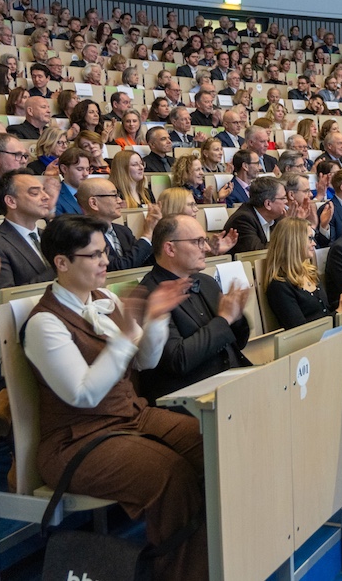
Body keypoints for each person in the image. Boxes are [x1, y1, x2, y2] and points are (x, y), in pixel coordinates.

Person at [21, 215, 206, 581]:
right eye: (94, 255)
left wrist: (155, 319)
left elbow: (147, 360)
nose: (105, 261)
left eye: (105, 252)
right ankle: (184, 572)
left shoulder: (104, 298)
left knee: (210, 443)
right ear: (62, 262)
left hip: (129, 416)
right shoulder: (45, 323)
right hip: (77, 439)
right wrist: (124, 337)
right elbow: (84, 394)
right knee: (169, 475)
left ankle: (217, 556)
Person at [138, 214, 252, 402]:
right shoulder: (150, 295)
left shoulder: (206, 281)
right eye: (198, 242)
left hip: (230, 380)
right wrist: (224, 319)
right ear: (170, 248)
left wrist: (236, 315)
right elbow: (178, 360)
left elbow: (238, 342)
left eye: (204, 241)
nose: (206, 248)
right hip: (189, 395)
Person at [262, 217, 342, 330]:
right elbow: (300, 332)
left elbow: (324, 311)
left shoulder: (310, 273)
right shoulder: (279, 286)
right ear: (293, 241)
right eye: (309, 238)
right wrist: (341, 310)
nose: (314, 243)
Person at [0, 170, 56, 294]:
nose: (46, 197)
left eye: (44, 190)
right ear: (11, 201)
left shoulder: (50, 236)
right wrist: (59, 268)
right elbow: (6, 298)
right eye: (35, 193)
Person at [76, 178, 158, 272]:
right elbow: (117, 267)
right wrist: (147, 234)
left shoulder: (123, 231)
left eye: (118, 195)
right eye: (114, 195)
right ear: (94, 203)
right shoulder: (84, 236)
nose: (120, 200)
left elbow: (144, 261)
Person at [222, 176, 288, 256]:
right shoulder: (243, 220)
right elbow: (260, 255)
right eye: (283, 198)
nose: (286, 201)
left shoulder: (276, 216)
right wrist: (286, 227)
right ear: (268, 204)